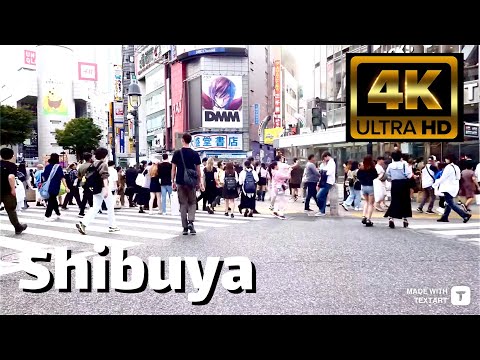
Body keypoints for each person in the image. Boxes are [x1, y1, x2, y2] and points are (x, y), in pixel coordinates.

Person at [76, 147, 120, 235]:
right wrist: (107, 189)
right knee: (110, 207)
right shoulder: (103, 164)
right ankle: (112, 226)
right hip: (102, 188)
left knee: (95, 207)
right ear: (105, 155)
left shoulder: (92, 164)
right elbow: (104, 177)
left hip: (95, 188)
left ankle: (84, 223)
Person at [171, 133, 204, 235]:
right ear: (190, 141)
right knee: (192, 202)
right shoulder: (195, 154)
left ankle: (185, 228)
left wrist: (173, 181)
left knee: (183, 204)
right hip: (191, 182)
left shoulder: (177, 153)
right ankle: (191, 222)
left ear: (182, 140)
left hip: (180, 181)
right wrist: (200, 182)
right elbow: (198, 171)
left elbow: (173, 169)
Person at [434, 154, 471, 223]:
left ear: (449, 159)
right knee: (449, 203)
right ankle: (445, 217)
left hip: (447, 187)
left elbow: (443, 178)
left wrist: (434, 184)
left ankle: (464, 215)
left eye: (446, 159)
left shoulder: (448, 167)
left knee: (450, 203)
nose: (445, 160)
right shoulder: (456, 167)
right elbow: (459, 177)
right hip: (454, 187)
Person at [0, 148, 27, 234]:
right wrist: (13, 189)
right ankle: (18, 227)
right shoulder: (12, 165)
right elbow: (11, 177)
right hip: (7, 191)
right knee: (11, 210)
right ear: (12, 156)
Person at [384, 151, 412, 229]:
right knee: (405, 201)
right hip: (404, 183)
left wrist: (392, 179)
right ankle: (405, 219)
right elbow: (408, 174)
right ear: (400, 157)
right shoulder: (404, 164)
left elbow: (387, 175)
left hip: (395, 183)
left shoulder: (390, 165)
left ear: (392, 157)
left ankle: (391, 217)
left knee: (395, 200)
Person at [42, 153, 70, 222]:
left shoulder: (47, 167)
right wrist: (66, 186)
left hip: (48, 185)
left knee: (53, 200)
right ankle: (47, 215)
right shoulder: (58, 167)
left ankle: (58, 213)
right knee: (52, 200)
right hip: (55, 185)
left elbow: (44, 176)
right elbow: (62, 177)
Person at [357, 156, 378, 227]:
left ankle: (363, 216)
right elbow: (375, 175)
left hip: (363, 186)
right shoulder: (372, 168)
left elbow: (358, 176)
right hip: (370, 186)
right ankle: (368, 219)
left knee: (366, 202)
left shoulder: (361, 168)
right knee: (370, 203)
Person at [315, 151, 336, 216]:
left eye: (324, 158)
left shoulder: (331, 163)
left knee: (319, 195)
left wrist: (322, 171)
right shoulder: (328, 163)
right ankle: (322, 211)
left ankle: (321, 210)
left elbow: (328, 172)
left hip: (328, 181)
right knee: (323, 196)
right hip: (325, 181)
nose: (324, 160)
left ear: (327, 156)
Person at [77, 152, 94, 218]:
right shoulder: (92, 165)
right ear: (90, 158)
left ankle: (90, 209)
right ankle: (82, 211)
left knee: (87, 196)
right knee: (87, 197)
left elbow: (78, 176)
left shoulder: (81, 166)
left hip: (84, 183)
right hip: (91, 183)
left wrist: (83, 178)